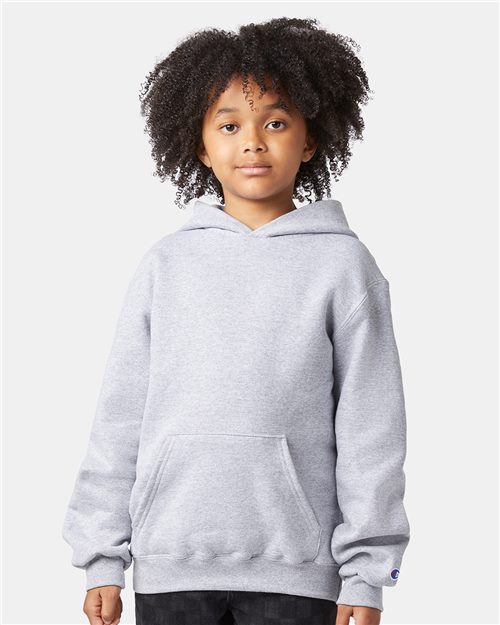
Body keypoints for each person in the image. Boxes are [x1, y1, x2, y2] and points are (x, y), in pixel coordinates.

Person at [62, 16, 410, 625]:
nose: (253, 142)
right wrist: (101, 557)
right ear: (200, 146)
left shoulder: (344, 266)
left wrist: (367, 575)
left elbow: (372, 430)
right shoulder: (165, 264)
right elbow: (119, 418)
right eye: (229, 126)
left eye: (275, 123)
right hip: (170, 566)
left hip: (299, 575)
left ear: (309, 140)